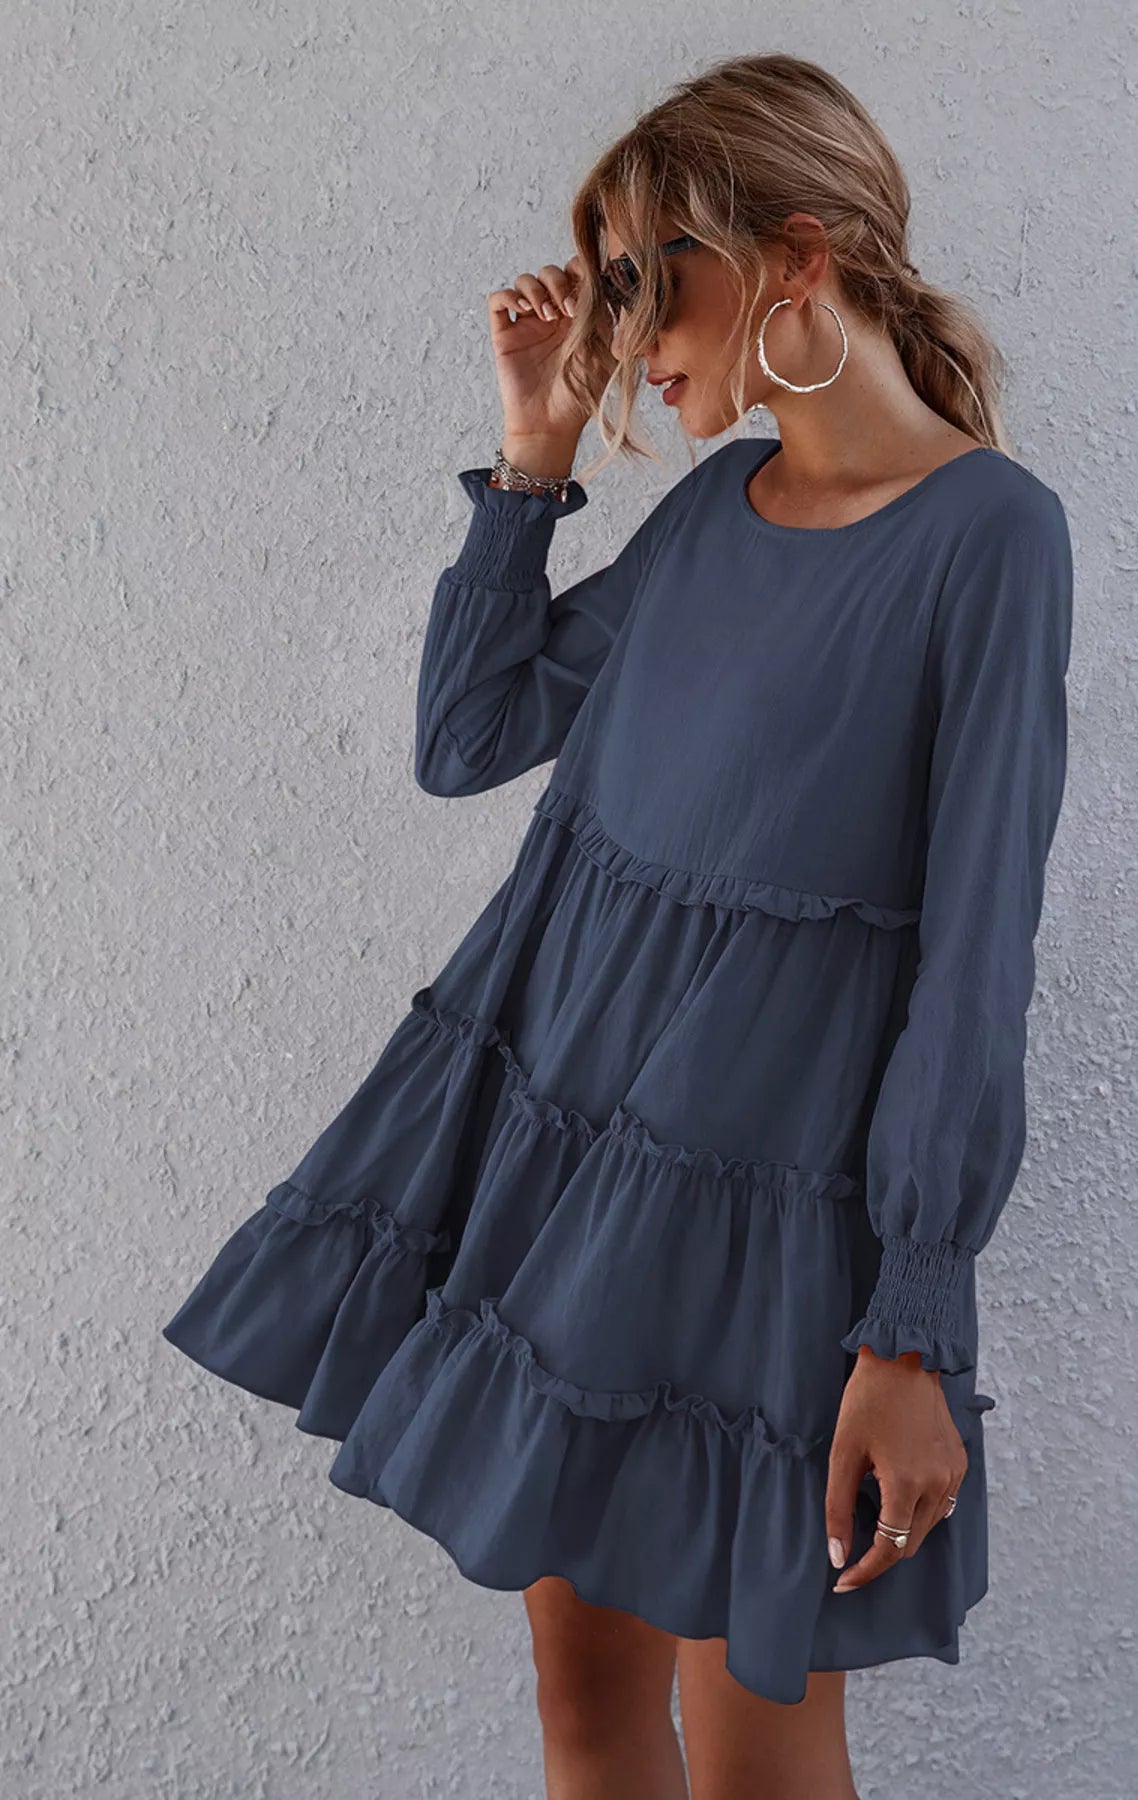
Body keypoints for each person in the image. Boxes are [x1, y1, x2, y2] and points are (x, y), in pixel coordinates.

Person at [162, 51, 1073, 1800]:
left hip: (766, 1231)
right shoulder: (713, 511)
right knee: (583, 1707)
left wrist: (912, 1324)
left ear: (794, 256)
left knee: (757, 1743)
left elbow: (975, 961)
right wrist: (534, 449)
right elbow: (466, 736)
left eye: (649, 280)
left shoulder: (990, 538)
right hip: (568, 1179)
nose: (624, 332)